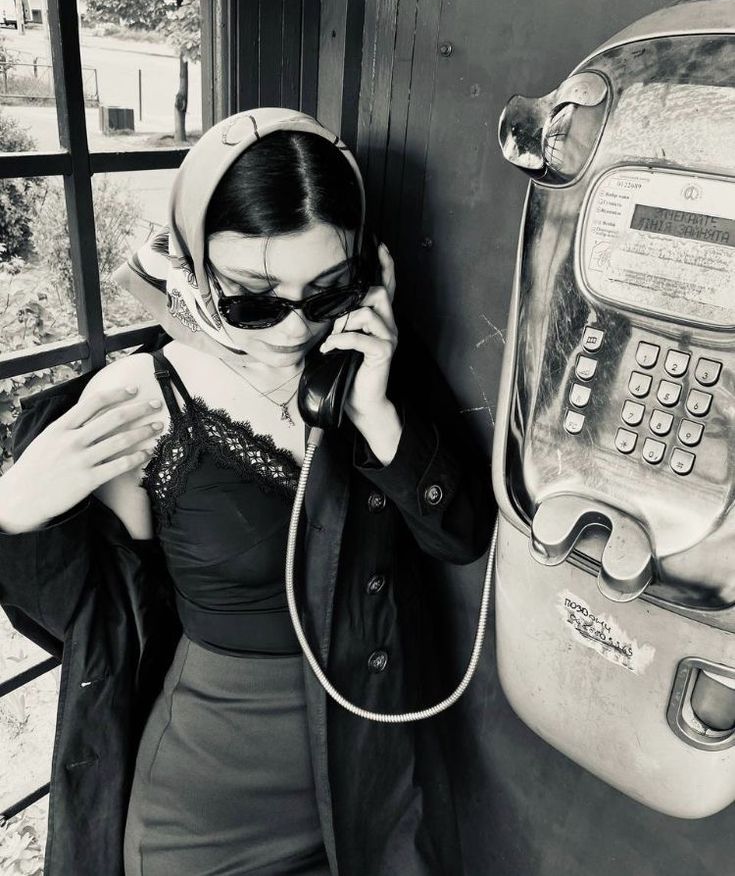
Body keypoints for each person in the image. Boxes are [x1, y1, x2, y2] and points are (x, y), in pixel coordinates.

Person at [0, 108, 495, 875]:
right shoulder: (144, 398)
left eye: (325, 291)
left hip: (368, 770)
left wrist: (374, 413)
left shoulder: (368, 365)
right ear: (194, 269)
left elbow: (459, 536)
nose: (294, 329)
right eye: (253, 299)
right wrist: (11, 513)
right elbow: (99, 613)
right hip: (209, 805)